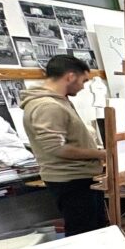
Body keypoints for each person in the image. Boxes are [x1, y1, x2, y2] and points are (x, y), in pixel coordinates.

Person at [21, 55, 107, 236]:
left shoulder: (60, 101)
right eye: (83, 81)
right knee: (83, 234)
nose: (83, 87)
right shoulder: (47, 106)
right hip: (71, 179)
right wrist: (101, 154)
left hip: (80, 177)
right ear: (70, 77)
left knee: (96, 230)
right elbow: (56, 148)